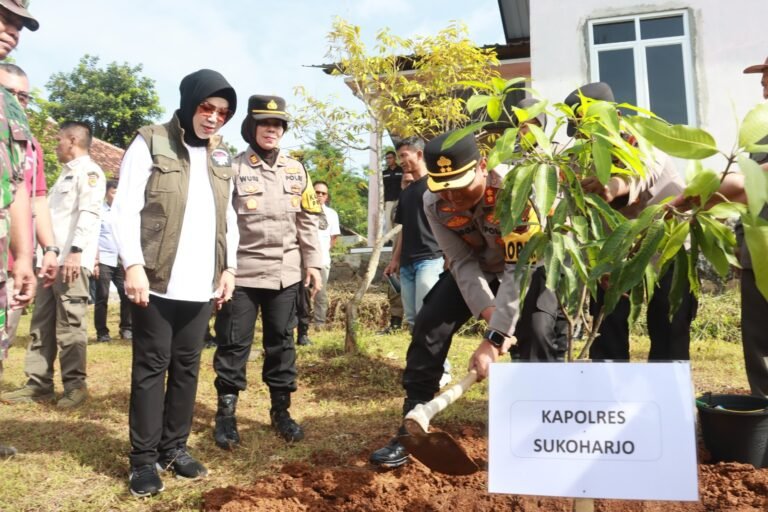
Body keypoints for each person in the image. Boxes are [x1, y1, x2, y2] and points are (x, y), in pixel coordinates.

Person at [369, 130, 567, 468]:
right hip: (479, 268)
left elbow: (518, 269)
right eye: (443, 186)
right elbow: (460, 261)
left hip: (530, 268)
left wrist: (494, 338)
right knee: (430, 323)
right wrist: (490, 313)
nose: (453, 196)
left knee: (537, 330)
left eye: (460, 184)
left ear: (483, 166)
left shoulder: (515, 191)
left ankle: (541, 435)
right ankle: (410, 428)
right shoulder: (433, 201)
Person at [112, 69, 239, 498]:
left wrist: (229, 268)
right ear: (189, 103)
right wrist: (132, 265)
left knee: (187, 368)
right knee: (151, 368)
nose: (213, 118)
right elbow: (124, 208)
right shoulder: (150, 141)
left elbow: (231, 219)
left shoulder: (222, 156)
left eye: (222, 112)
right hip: (157, 280)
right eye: (207, 108)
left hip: (201, 284)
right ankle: (143, 461)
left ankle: (174, 449)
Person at [212, 95, 322, 451]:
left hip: (285, 275)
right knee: (233, 345)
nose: (272, 130)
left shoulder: (297, 170)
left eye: (278, 125)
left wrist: (313, 264)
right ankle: (226, 415)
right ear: (252, 128)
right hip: (242, 273)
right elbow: (221, 224)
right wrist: (220, 270)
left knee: (282, 344)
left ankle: (281, 412)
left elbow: (307, 221)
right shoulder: (232, 168)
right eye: (265, 123)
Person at [567, 82, 695, 362]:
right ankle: (610, 391)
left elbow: (641, 174)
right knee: (607, 319)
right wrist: (598, 261)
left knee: (668, 321)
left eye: (592, 130)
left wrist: (610, 186)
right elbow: (584, 213)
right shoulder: (583, 157)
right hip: (617, 250)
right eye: (582, 134)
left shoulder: (643, 143)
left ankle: (668, 396)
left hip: (668, 245)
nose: (588, 139)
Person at [2, 121, 104, 410]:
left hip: (71, 262)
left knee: (70, 326)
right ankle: (38, 384)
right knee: (41, 324)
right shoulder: (63, 176)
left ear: (73, 140)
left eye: (59, 139)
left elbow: (89, 213)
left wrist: (75, 253)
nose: (55, 144)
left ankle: (75, 385)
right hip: (50, 263)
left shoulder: (90, 172)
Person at [0, 0, 39, 459]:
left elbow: (20, 184)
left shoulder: (11, 103)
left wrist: (24, 257)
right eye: (4, 17)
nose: (11, 30)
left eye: (18, 23)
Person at [0, 63, 57, 377]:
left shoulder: (29, 144)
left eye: (23, 97)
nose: (17, 102)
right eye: (9, 93)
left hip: (13, 265)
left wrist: (49, 248)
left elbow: (36, 198)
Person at [383, 137, 445, 331]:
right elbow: (404, 229)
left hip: (430, 259)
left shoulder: (437, 186)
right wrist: (395, 260)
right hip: (407, 264)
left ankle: (439, 363)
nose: (401, 161)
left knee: (427, 315)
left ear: (419, 154)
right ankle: (418, 362)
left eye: (404, 155)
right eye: (399, 156)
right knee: (412, 320)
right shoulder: (406, 193)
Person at [296, 180, 339, 345]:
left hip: (323, 261)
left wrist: (322, 253)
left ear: (327, 197)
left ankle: (319, 323)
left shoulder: (332, 214)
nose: (319, 195)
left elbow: (333, 237)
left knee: (321, 295)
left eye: (323, 193)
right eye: (317, 192)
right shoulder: (303, 210)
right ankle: (300, 325)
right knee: (302, 295)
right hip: (303, 262)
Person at [93, 179, 131, 342]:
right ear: (106, 193)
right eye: (113, 192)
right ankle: (102, 332)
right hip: (104, 259)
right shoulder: (99, 211)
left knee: (126, 294)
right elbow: (94, 236)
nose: (116, 195)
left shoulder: (124, 211)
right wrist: (95, 260)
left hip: (120, 259)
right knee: (102, 296)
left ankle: (126, 328)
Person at [382, 150, 403, 234]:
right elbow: (381, 188)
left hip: (400, 199)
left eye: (390, 158)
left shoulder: (401, 170)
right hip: (389, 200)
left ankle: (399, 240)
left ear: (395, 158)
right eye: (386, 158)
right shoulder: (384, 173)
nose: (388, 160)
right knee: (388, 221)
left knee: (398, 221)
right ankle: (391, 241)